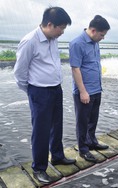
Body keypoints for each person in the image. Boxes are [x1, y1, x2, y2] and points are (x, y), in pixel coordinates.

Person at [13, 7, 75, 185]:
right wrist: (32, 92)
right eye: (61, 28)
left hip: (56, 89)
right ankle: (39, 168)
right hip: (39, 91)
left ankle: (57, 156)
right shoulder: (30, 41)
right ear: (49, 24)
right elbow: (19, 73)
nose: (62, 32)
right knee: (40, 131)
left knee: (57, 125)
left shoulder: (52, 38)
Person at [69, 15, 110, 163]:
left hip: (96, 89)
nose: (103, 38)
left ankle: (92, 141)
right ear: (93, 30)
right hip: (84, 92)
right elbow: (75, 69)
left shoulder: (94, 42)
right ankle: (83, 149)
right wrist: (83, 91)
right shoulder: (77, 43)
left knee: (93, 119)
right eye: (102, 35)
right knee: (82, 122)